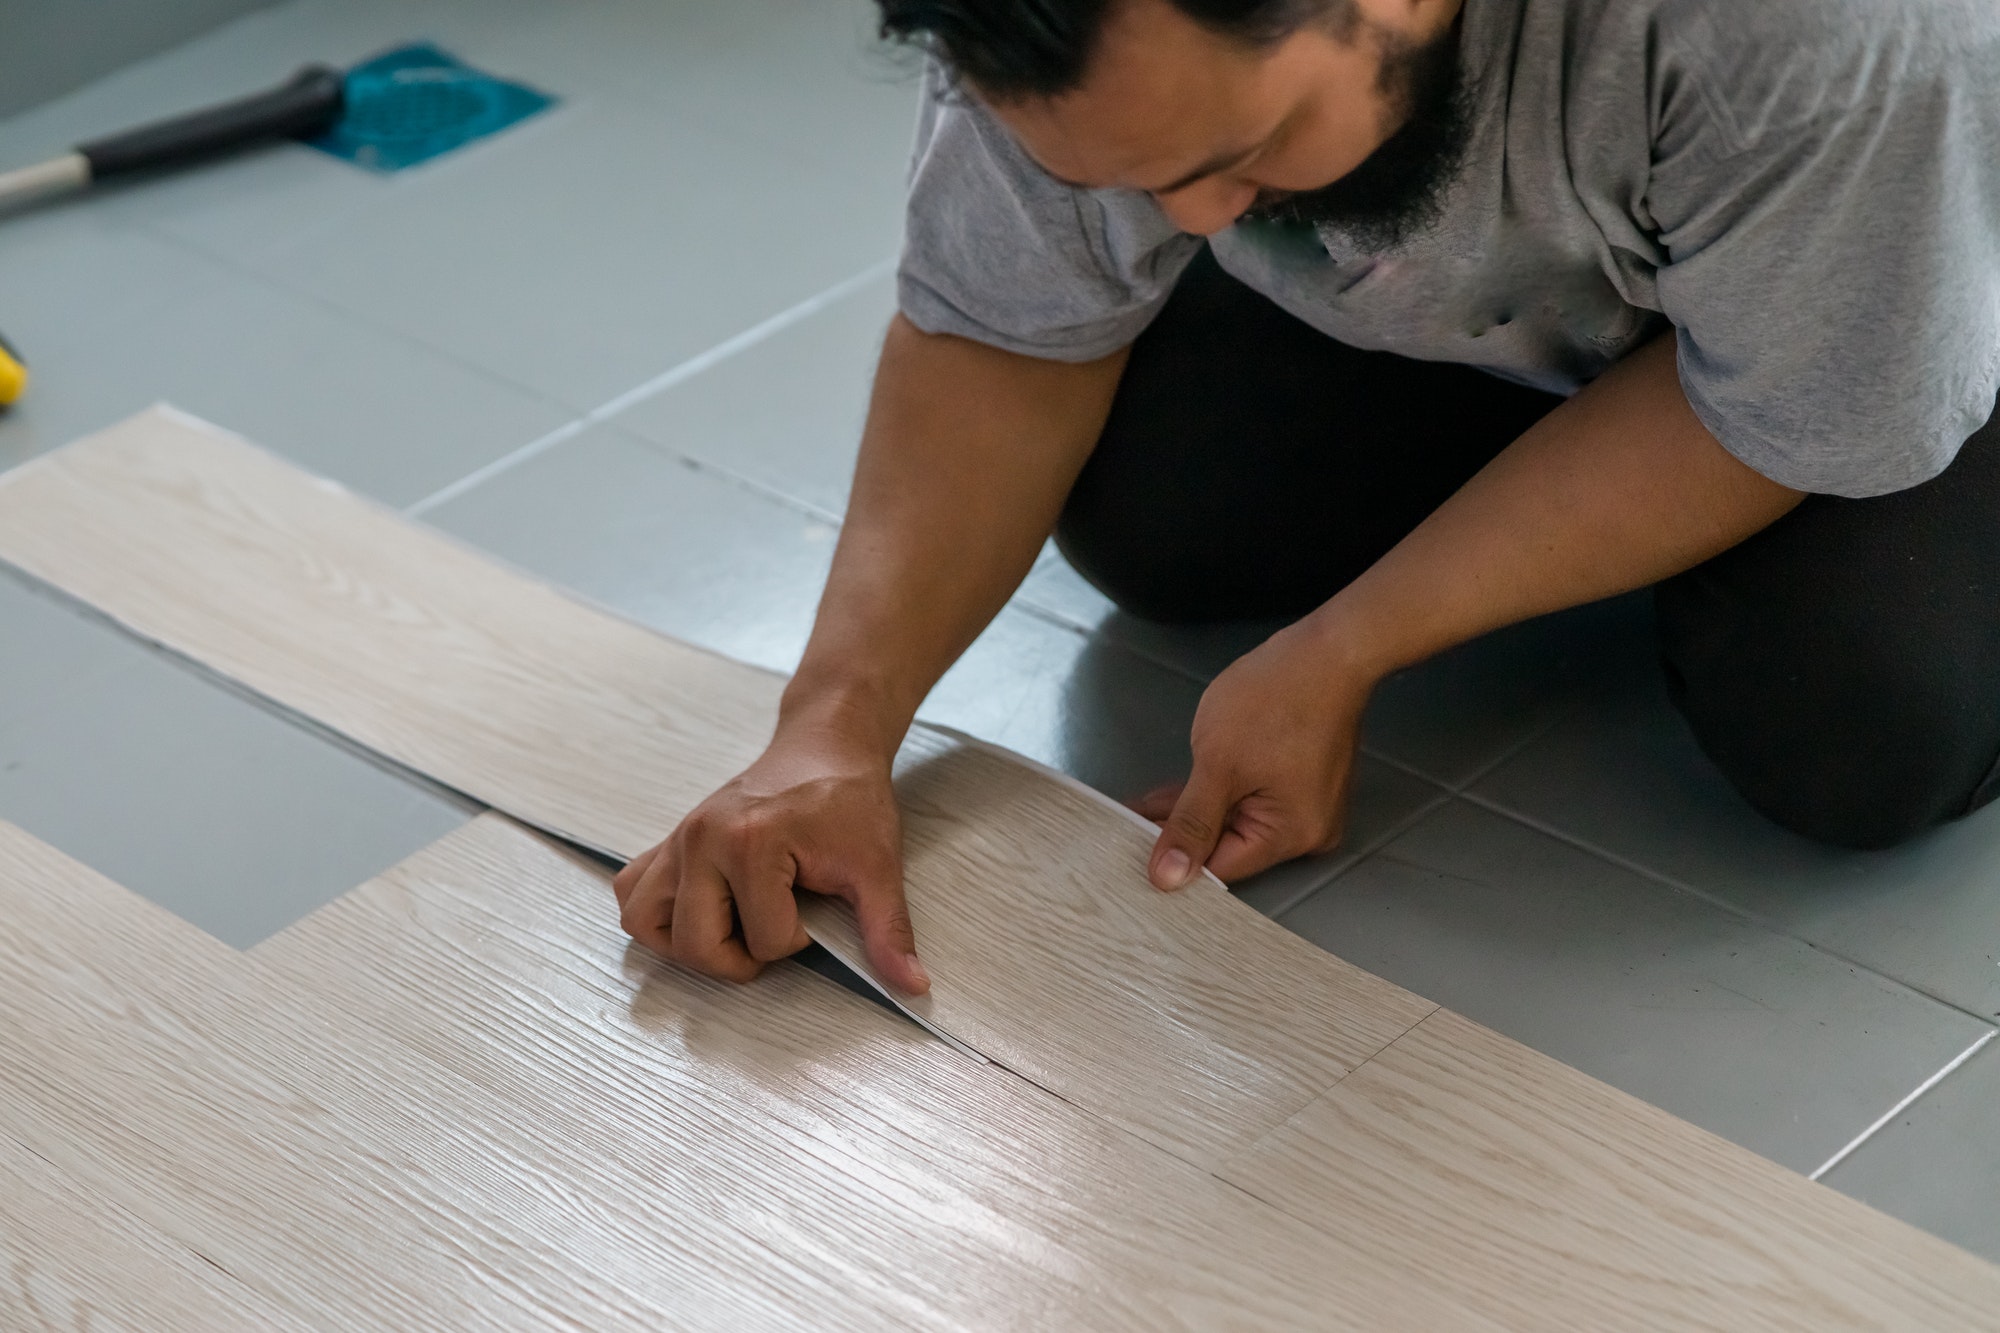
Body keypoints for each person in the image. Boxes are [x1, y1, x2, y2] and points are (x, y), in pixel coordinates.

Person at [614, 0, 2000, 992]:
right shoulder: (1038, 23)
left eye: (1245, 146)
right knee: (1156, 511)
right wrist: (832, 727)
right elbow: (1000, 326)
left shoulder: (1807, 38)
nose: (1195, 218)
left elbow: (1811, 409)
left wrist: (1348, 647)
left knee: (1861, 718)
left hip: (1917, 261)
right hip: (1606, 263)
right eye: (1137, 177)